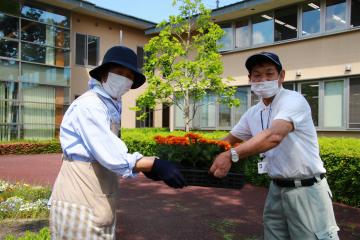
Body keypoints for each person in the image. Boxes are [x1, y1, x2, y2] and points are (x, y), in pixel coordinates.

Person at [49, 46, 186, 239]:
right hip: (80, 193)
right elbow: (110, 155)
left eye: (129, 75)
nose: (124, 79)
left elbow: (110, 151)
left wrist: (145, 168)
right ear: (104, 73)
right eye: (119, 72)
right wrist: (153, 164)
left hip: (98, 194)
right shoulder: (90, 104)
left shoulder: (109, 105)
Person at [209, 52, 339, 239]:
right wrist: (193, 153)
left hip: (306, 190)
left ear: (281, 76)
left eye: (269, 74)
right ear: (250, 79)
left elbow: (274, 136)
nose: (263, 79)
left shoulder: (293, 100)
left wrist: (231, 155)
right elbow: (226, 140)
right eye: (257, 75)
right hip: (276, 189)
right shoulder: (253, 112)